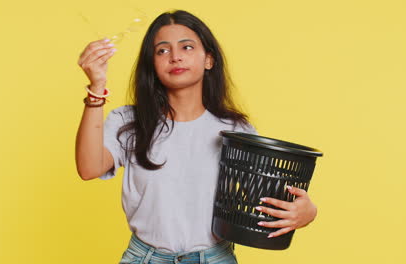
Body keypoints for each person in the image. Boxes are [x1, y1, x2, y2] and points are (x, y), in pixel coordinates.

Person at [75, 9, 318, 264]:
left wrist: (306, 212)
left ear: (209, 60)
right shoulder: (129, 121)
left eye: (187, 47)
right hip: (144, 258)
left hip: (214, 258)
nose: (176, 57)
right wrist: (96, 88)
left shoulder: (234, 130)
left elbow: (266, 201)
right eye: (162, 50)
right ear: (153, 65)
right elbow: (89, 168)